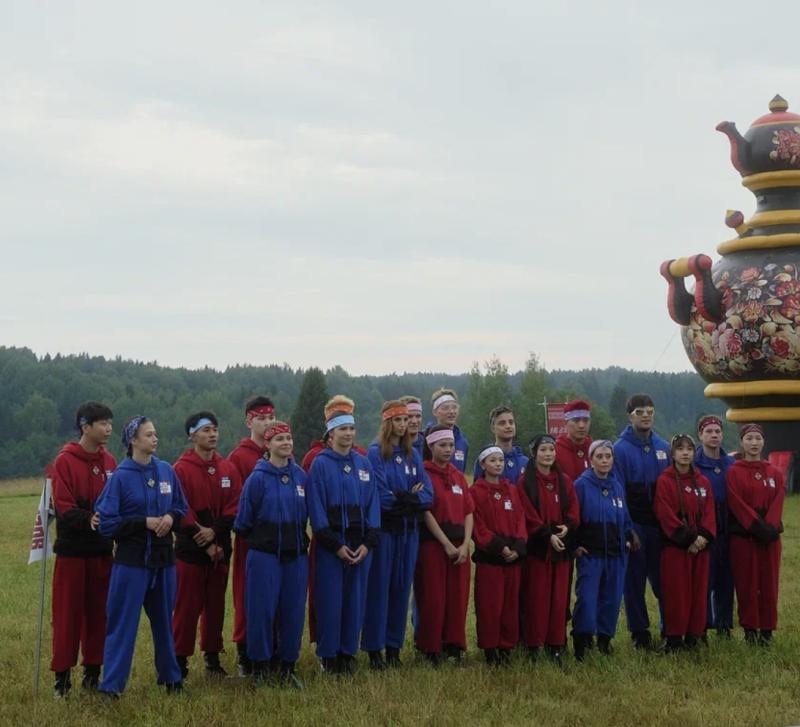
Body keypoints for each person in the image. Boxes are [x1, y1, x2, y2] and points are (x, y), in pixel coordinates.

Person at [95, 416, 188, 697]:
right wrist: (143, 522)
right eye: (148, 434)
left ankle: (171, 678)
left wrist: (171, 517)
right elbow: (106, 523)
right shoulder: (121, 477)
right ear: (133, 440)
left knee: (164, 623)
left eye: (155, 433)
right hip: (132, 562)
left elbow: (180, 507)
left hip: (164, 561)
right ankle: (111, 687)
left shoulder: (167, 471)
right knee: (122, 625)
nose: (154, 439)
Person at [306, 397, 380, 675]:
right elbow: (317, 507)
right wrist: (334, 544)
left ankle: (348, 653)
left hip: (359, 545)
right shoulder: (320, 465)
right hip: (332, 546)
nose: (348, 434)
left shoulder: (363, 464)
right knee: (330, 602)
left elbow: (372, 503)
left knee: (354, 601)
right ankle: (329, 655)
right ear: (331, 434)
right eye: (342, 429)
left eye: (351, 428)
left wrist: (368, 542)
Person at [234, 422, 309, 688]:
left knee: (293, 612)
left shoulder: (301, 477)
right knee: (261, 612)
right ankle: (261, 668)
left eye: (289, 438)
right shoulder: (257, 478)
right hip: (265, 556)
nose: (286, 443)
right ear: (267, 445)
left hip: (296, 556)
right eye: (279, 439)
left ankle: (287, 667)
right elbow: (243, 521)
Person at [50, 402, 116, 697]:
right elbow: (63, 505)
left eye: (110, 423)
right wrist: (88, 518)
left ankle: (93, 673)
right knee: (67, 616)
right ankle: (62, 679)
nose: (108, 429)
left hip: (102, 552)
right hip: (73, 553)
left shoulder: (111, 462)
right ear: (85, 426)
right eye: (102, 423)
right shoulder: (64, 462)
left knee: (99, 614)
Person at [362, 401, 433, 669]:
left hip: (409, 531)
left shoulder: (413, 454)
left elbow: (427, 494)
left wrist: (409, 498)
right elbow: (380, 496)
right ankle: (374, 649)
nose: (404, 425)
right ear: (388, 422)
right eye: (399, 420)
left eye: (407, 420)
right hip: (387, 532)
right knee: (380, 589)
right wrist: (409, 497)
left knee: (402, 588)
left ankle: (394, 648)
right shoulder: (376, 453)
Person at [172, 411, 241, 680]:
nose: (212, 435)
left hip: (221, 548)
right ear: (192, 435)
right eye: (205, 430)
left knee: (215, 607)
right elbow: (180, 508)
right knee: (187, 608)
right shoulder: (181, 469)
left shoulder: (227, 468)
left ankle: (212, 659)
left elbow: (234, 505)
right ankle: (178, 662)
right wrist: (202, 539)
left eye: (214, 429)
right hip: (191, 551)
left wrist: (216, 534)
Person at [612, 394, 670, 649]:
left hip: (661, 526)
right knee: (633, 582)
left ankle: (670, 628)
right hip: (635, 523)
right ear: (630, 416)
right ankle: (639, 632)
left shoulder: (664, 447)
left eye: (649, 410)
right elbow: (617, 492)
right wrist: (627, 528)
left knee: (665, 580)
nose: (645, 415)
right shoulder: (619, 450)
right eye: (639, 412)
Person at [572, 440, 638, 661]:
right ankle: (582, 641)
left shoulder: (617, 486)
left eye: (608, 456)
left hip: (616, 553)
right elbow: (573, 518)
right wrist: (575, 544)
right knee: (588, 600)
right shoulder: (581, 485)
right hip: (591, 554)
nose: (604, 460)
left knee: (611, 600)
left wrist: (629, 536)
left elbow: (625, 518)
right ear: (591, 460)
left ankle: (604, 640)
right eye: (599, 456)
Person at [415, 425, 474, 665]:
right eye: (443, 445)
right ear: (431, 447)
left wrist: (465, 544)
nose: (448, 450)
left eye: (451, 445)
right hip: (435, 545)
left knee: (457, 597)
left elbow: (469, 510)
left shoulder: (458, 475)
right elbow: (425, 512)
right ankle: (431, 647)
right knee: (433, 597)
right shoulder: (424, 474)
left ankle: (454, 645)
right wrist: (446, 544)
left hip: (460, 545)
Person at [518, 435, 579, 664]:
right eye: (543, 450)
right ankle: (534, 644)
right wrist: (546, 534)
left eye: (551, 450)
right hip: (538, 548)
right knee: (538, 598)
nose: (548, 454)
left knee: (559, 598)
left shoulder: (564, 480)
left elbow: (573, 507)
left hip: (561, 548)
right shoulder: (526, 482)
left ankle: (557, 644)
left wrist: (568, 526)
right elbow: (527, 513)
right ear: (534, 454)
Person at [227, 396, 276, 675]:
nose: (268, 423)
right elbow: (236, 501)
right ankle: (245, 652)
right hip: (251, 539)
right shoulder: (239, 457)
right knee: (246, 594)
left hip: (277, 540)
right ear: (249, 421)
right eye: (262, 418)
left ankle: (273, 648)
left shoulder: (281, 451)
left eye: (271, 418)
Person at [654, 434, 716, 652]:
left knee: (699, 592)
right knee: (676, 593)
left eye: (690, 448)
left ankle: (695, 635)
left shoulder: (703, 481)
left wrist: (703, 538)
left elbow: (709, 512)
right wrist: (688, 538)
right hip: (676, 547)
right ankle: (674, 638)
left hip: (700, 548)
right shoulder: (665, 480)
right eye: (680, 449)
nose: (685, 452)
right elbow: (665, 514)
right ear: (672, 453)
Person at [726, 423, 785, 645]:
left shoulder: (774, 473)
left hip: (769, 539)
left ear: (763, 441)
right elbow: (736, 502)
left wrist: (769, 528)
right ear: (741, 442)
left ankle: (767, 630)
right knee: (747, 584)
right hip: (745, 538)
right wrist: (755, 527)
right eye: (749, 438)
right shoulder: (734, 472)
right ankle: (750, 629)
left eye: (757, 438)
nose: (753, 443)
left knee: (769, 584)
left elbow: (779, 499)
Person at [471, 445, 527, 666]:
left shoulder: (511, 490)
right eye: (493, 461)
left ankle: (506, 646)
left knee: (509, 606)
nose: (498, 464)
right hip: (491, 559)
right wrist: (498, 546)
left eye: (501, 461)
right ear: (483, 464)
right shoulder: (475, 491)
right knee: (489, 605)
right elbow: (478, 524)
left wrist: (518, 546)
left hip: (512, 558)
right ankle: (490, 648)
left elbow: (520, 519)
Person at [693, 415, 735, 637]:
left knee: (726, 578)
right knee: (705, 578)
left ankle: (724, 624)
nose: (714, 435)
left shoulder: (732, 464)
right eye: (708, 431)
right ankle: (702, 624)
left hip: (728, 524)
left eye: (717, 431)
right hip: (705, 525)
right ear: (700, 435)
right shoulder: (694, 463)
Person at [472, 406, 528, 483]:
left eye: (511, 422)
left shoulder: (525, 461)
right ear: (493, 428)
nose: (508, 426)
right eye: (502, 423)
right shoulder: (485, 459)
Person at [429, 388, 469, 473]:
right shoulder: (425, 438)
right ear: (435, 411)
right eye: (445, 408)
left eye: (454, 407)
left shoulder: (462, 441)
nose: (451, 411)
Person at [555, 399, 593, 482]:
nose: (581, 425)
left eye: (585, 420)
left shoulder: (595, 450)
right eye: (576, 421)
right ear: (565, 423)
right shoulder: (555, 451)